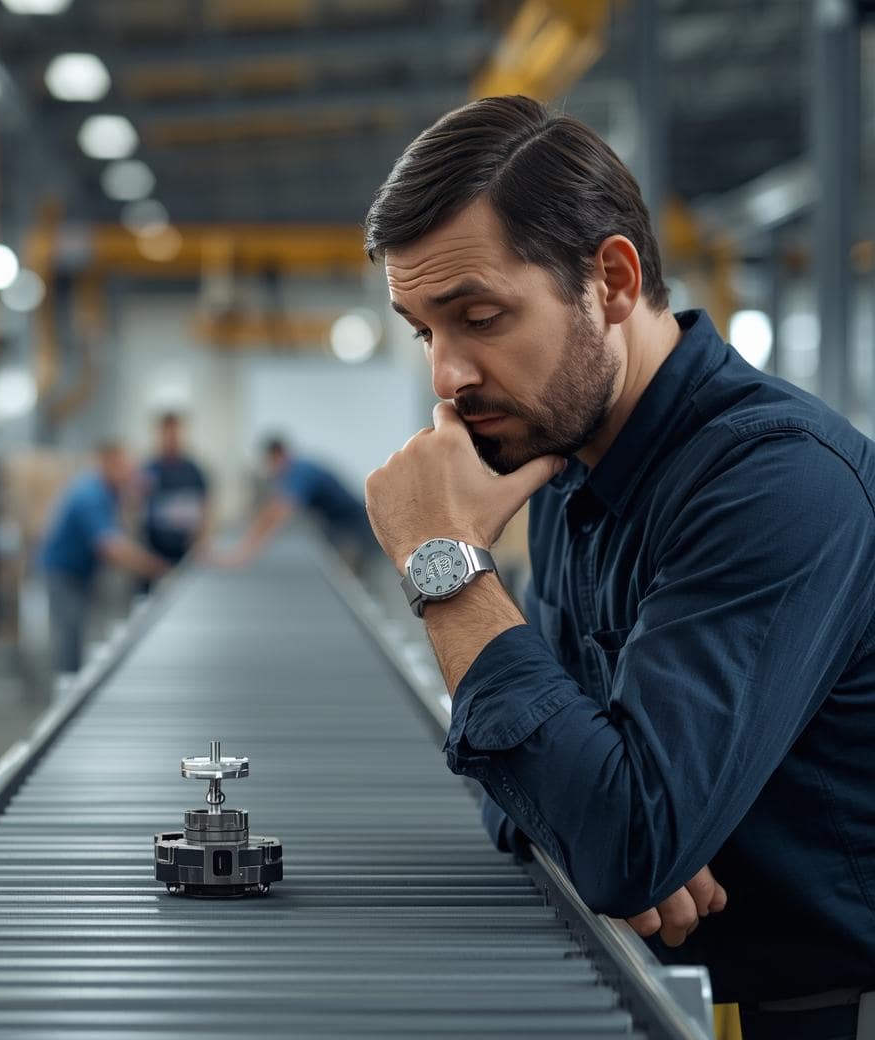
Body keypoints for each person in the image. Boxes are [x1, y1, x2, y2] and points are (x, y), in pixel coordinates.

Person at [362, 94, 875, 1040]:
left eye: (479, 316)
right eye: (425, 330)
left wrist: (446, 569)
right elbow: (534, 785)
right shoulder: (563, 470)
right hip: (676, 991)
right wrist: (601, 816)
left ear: (611, 278)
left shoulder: (777, 483)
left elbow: (617, 831)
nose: (447, 376)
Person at [39, 441, 172, 674]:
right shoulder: (90, 494)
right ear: (107, 464)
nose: (128, 473)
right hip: (64, 574)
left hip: (82, 573)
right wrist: (157, 568)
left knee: (81, 633)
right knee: (69, 635)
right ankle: (65, 686)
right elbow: (110, 547)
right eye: (123, 467)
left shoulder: (109, 491)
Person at [217, 436, 377, 571]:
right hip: (338, 525)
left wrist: (245, 552)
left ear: (278, 455)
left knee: (365, 573)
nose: (270, 468)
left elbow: (278, 513)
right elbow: (271, 509)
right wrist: (246, 546)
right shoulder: (294, 472)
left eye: (269, 462)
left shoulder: (300, 471)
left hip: (358, 526)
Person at [140, 412, 210, 579]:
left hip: (187, 552)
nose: (171, 438)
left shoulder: (194, 470)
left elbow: (206, 506)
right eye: (166, 433)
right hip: (154, 553)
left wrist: (202, 539)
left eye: (175, 432)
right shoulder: (149, 469)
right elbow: (134, 505)